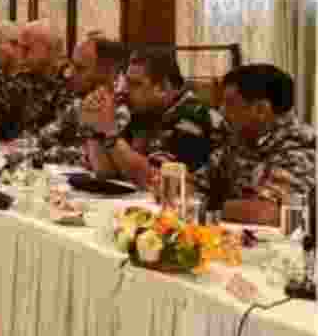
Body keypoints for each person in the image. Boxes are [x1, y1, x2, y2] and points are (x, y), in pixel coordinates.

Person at [83, 49, 225, 189]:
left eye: (135, 84)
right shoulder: (146, 113)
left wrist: (110, 130)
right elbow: (107, 171)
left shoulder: (193, 117)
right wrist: (95, 126)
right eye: (127, 82)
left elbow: (153, 179)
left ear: (163, 87)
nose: (125, 90)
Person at [194, 65, 316, 226]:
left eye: (230, 104)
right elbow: (197, 182)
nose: (222, 112)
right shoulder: (241, 139)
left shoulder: (301, 146)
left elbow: (264, 212)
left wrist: (202, 207)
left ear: (261, 110)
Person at [37, 36, 131, 166]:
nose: (69, 74)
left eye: (80, 68)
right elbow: (44, 136)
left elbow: (94, 162)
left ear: (108, 71)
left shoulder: (121, 108)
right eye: (71, 66)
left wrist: (57, 152)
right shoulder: (80, 101)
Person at [5, 20, 71, 134]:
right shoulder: (20, 80)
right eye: (20, 48)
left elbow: (61, 131)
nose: (20, 55)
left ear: (51, 49)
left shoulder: (71, 83)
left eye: (27, 49)